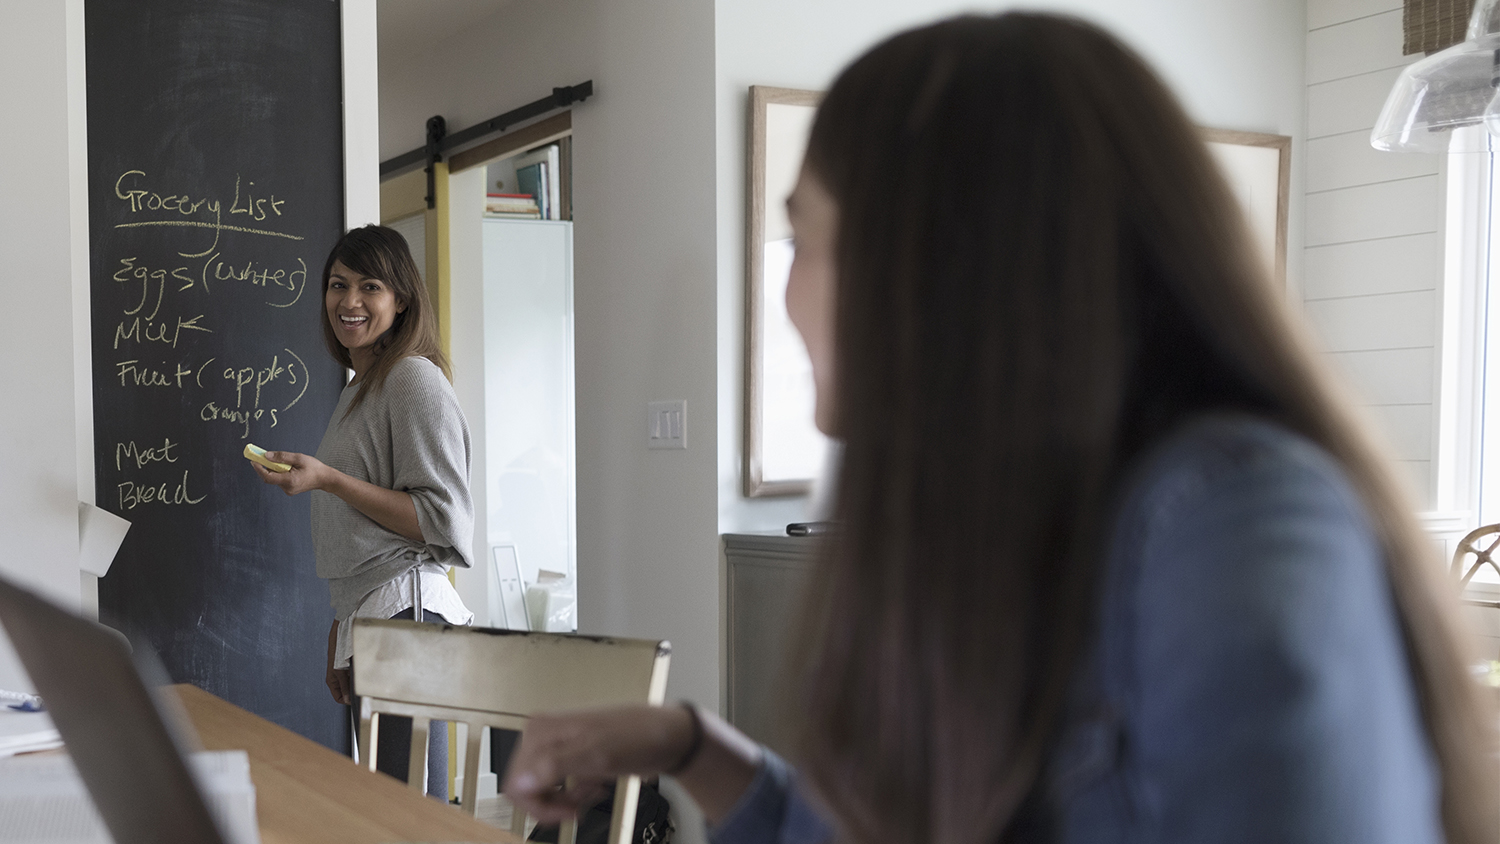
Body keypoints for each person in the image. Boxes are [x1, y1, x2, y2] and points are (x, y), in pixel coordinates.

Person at [501, 12, 1499, 844]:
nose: (789, 287)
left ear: (946, 259)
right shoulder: (965, 535)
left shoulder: (1232, 521)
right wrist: (685, 744)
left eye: (803, 237)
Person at [251, 224, 474, 801]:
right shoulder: (361, 386)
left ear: (400, 300)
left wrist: (328, 479)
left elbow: (440, 519)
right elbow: (367, 533)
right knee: (384, 804)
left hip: (407, 614)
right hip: (372, 611)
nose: (349, 302)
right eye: (337, 285)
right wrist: (341, 622)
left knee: (406, 812)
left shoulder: (412, 379)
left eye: (369, 286)